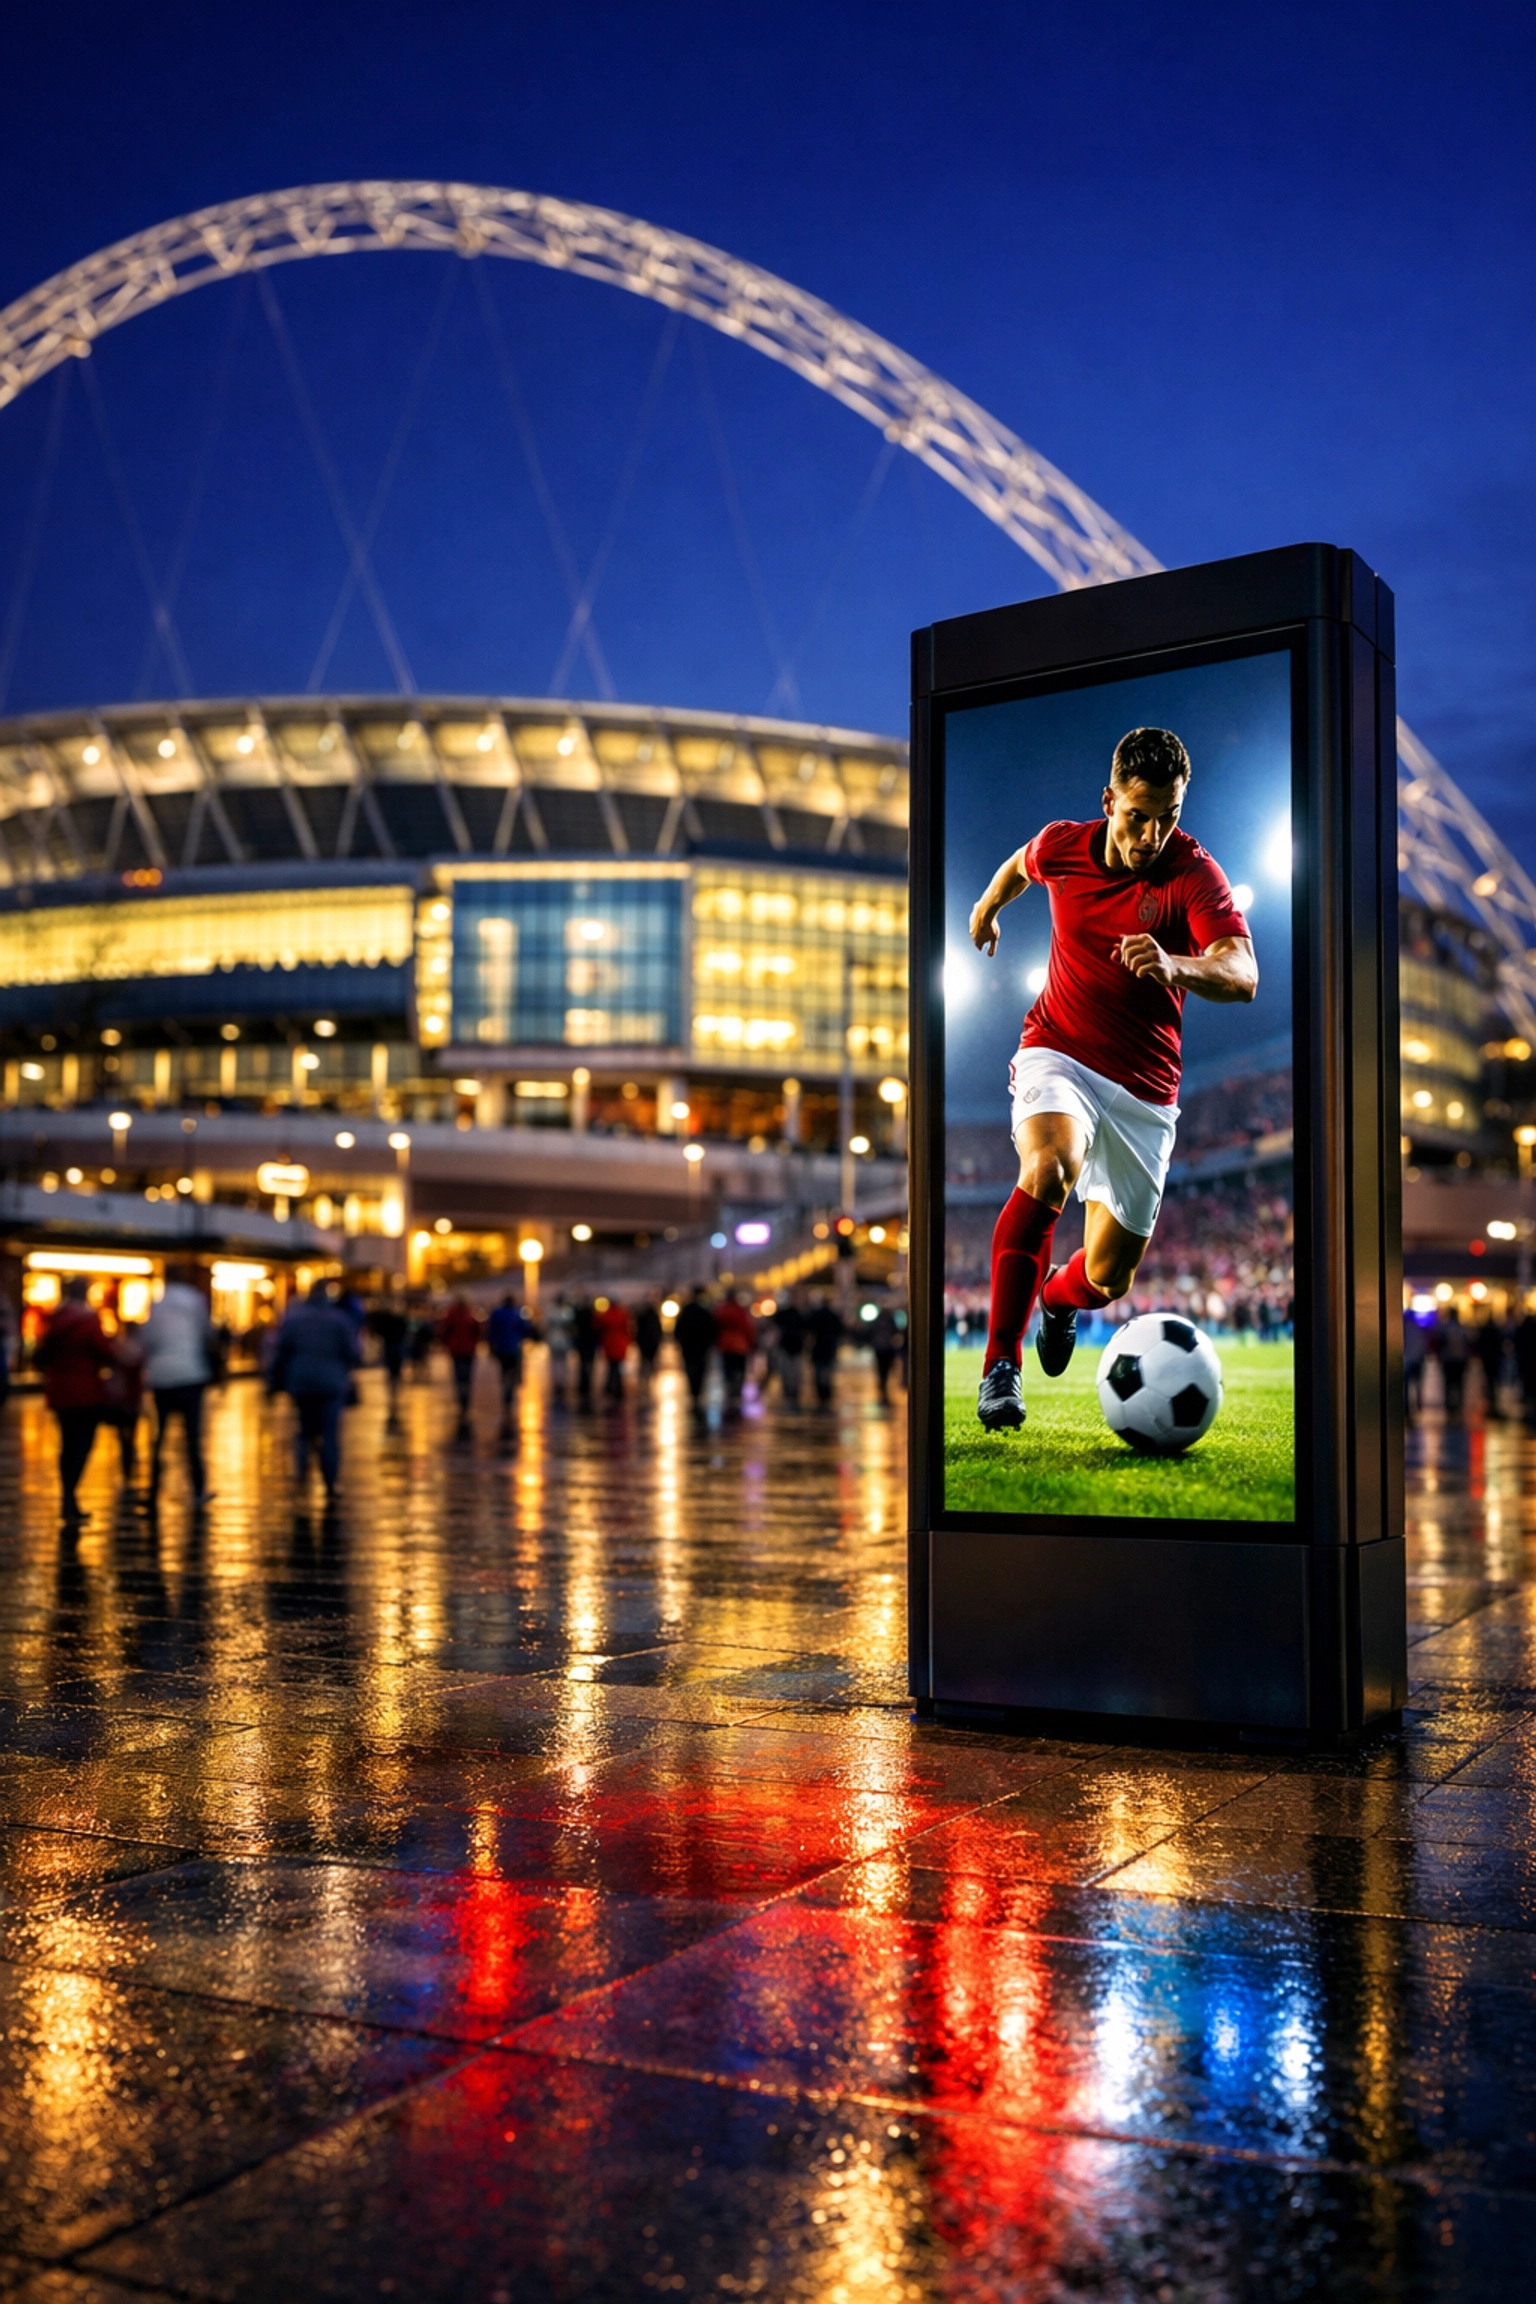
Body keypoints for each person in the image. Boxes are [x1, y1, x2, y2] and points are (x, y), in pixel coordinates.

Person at [966, 726, 1256, 1431]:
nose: (1153, 832)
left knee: (1105, 1278)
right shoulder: (1064, 845)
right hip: (1057, 1049)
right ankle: (1000, 1367)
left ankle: (1058, 1304)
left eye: (1169, 817)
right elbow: (1019, 865)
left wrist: (1177, 964)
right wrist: (986, 907)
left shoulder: (1193, 873)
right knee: (1049, 1168)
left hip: (1144, 1094)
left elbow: (1243, 972)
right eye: (1138, 815)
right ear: (1108, 802)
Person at [269, 1279, 360, 1503]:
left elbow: (281, 1350)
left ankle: (301, 1475)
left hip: (301, 1381)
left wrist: (273, 1382)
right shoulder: (340, 1319)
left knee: (304, 1431)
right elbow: (354, 1353)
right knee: (329, 1434)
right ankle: (330, 1482)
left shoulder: (294, 1318)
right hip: (332, 1383)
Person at [34, 1276, 116, 1525]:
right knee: (83, 1443)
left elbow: (41, 1356)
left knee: (67, 1442)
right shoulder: (89, 1321)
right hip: (86, 1390)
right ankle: (71, 1495)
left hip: (60, 1389)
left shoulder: (54, 1320)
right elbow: (104, 1353)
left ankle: (67, 1497)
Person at [142, 1262, 220, 1509]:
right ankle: (198, 1490)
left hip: (162, 1376)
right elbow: (207, 1333)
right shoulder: (196, 1301)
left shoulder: (157, 1303)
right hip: (191, 1373)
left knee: (159, 1436)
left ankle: (153, 1489)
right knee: (192, 1436)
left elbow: (149, 1338)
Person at [101, 1318, 147, 1502]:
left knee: (124, 1434)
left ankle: (127, 1465)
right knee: (128, 1433)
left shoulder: (119, 1345)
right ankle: (128, 1464)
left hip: (122, 1395)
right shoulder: (139, 1346)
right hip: (130, 1396)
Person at [486, 1290, 535, 1420]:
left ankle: (506, 1390)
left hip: (501, 1348)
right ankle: (509, 1393)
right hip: (514, 1348)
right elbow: (526, 1328)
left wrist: (491, 1346)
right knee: (512, 1372)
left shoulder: (497, 1313)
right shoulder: (517, 1313)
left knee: (504, 1370)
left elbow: (490, 1331)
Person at [438, 1294, 482, 1433]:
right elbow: (477, 1331)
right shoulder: (470, 1314)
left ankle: (462, 1403)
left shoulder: (452, 1314)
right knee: (467, 1376)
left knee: (459, 1376)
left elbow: (444, 1331)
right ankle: (465, 1403)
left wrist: (446, 1343)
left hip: (457, 1349)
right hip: (467, 1349)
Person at [369, 1298, 410, 1422]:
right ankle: (395, 1391)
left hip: (390, 1347)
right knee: (395, 1371)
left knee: (392, 1371)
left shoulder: (387, 1320)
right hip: (396, 1347)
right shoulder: (399, 1320)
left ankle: (393, 1392)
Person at [675, 1286, 715, 1411]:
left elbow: (678, 1329)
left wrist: (681, 1342)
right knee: (700, 1370)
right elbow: (712, 1329)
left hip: (689, 1347)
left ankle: (693, 1392)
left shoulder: (686, 1310)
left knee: (690, 1369)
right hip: (700, 1347)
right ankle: (697, 1392)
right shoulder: (705, 1311)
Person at [713, 1291, 756, 1405]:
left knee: (728, 1369)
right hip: (740, 1345)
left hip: (725, 1345)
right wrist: (751, 1343)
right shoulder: (740, 1311)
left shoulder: (721, 1311)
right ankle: (736, 1389)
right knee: (740, 1369)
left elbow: (715, 1328)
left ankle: (730, 1388)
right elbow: (747, 1327)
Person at [807, 1294, 843, 1409]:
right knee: (827, 1373)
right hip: (828, 1349)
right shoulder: (833, 1316)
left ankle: (821, 1393)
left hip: (819, 1348)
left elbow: (810, 1331)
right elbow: (840, 1331)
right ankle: (826, 1393)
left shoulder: (817, 1315)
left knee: (819, 1372)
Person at [773, 1291, 807, 1408]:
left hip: (793, 1346)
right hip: (788, 1346)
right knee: (788, 1370)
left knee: (793, 1371)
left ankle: (793, 1391)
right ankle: (789, 1390)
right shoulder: (788, 1314)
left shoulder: (798, 1314)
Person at [596, 1296, 631, 1401]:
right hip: (620, 1345)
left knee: (611, 1368)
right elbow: (627, 1329)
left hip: (610, 1345)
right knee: (618, 1368)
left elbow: (599, 1328)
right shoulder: (622, 1313)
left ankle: (610, 1387)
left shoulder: (606, 1315)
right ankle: (618, 1388)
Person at [1476, 1311, 1508, 1420]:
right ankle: (1491, 1402)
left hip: (1488, 1359)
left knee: (1489, 1381)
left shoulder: (1485, 1331)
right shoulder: (1495, 1331)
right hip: (1493, 1359)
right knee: (1492, 1382)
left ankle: (1490, 1402)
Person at [543, 1295, 574, 1403]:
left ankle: (559, 1383)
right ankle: (559, 1383)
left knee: (558, 1363)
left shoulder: (556, 1311)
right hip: (560, 1339)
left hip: (558, 1339)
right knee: (559, 1363)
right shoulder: (565, 1311)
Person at [1439, 1307, 1469, 1416]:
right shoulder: (1461, 1328)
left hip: (1449, 1359)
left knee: (1449, 1384)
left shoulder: (1445, 1327)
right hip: (1458, 1360)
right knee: (1458, 1384)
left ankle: (1449, 1406)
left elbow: (1440, 1343)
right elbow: (1467, 1345)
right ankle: (1457, 1406)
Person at [869, 1303, 902, 1403]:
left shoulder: (879, 1320)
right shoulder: (889, 1320)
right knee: (884, 1371)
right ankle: (883, 1389)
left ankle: (883, 1389)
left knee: (882, 1371)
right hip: (885, 1349)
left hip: (883, 1349)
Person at [572, 1297, 599, 1408]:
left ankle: (583, 1383)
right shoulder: (593, 1315)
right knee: (589, 1364)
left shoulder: (579, 1315)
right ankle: (587, 1382)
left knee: (583, 1363)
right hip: (590, 1343)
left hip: (583, 1342)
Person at [1514, 1309, 1536, 1428]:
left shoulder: (1522, 1330)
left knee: (1526, 1380)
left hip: (1525, 1361)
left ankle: (1528, 1398)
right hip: (1530, 1361)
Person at [634, 1297, 663, 1382]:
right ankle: (648, 1376)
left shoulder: (642, 1316)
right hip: (652, 1343)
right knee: (650, 1360)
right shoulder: (655, 1316)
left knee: (644, 1360)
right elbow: (658, 1330)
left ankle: (644, 1376)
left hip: (644, 1343)